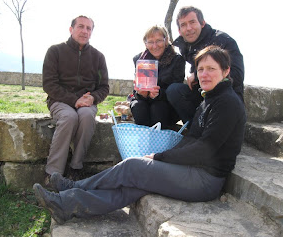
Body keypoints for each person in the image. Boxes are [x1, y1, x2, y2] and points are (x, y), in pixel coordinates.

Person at [33, 45, 246, 225]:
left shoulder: (227, 103)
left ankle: (74, 187)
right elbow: (191, 140)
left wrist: (160, 158)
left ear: (226, 71)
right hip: (193, 170)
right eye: (200, 69)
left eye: (211, 69)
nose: (204, 74)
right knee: (133, 186)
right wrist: (163, 157)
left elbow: (205, 150)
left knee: (133, 166)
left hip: (205, 180)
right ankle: (67, 205)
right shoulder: (209, 98)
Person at [42, 15, 109, 182]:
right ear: (71, 29)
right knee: (69, 117)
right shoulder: (55, 51)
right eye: (81, 26)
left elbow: (104, 87)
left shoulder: (98, 57)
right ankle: (53, 173)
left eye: (89, 28)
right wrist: (74, 100)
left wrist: (93, 98)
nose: (84, 31)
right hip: (60, 100)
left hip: (87, 102)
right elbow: (49, 84)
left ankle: (76, 167)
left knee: (86, 117)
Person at [166, 6, 244, 126]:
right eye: (183, 25)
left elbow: (237, 76)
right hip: (202, 94)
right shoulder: (186, 46)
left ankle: (204, 133)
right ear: (179, 30)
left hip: (226, 98)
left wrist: (197, 77)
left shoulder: (223, 40)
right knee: (174, 90)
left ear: (202, 23)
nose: (189, 28)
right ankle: (195, 129)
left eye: (192, 22)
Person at [130, 25, 185, 129]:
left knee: (158, 108)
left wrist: (158, 94)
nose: (155, 46)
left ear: (166, 40)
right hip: (145, 101)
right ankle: (143, 143)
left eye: (159, 40)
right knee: (138, 106)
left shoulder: (177, 60)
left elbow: (176, 91)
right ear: (145, 44)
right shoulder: (139, 59)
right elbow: (136, 92)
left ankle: (159, 143)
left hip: (166, 102)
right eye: (150, 42)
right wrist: (141, 93)